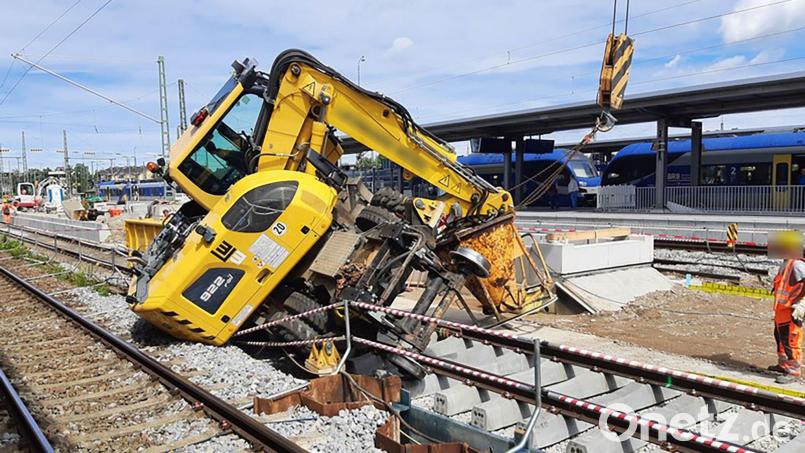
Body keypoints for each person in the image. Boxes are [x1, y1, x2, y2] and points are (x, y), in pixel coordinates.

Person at [770, 233, 805, 384]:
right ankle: (784, 364)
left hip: (791, 311)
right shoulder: (786, 262)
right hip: (781, 310)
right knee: (781, 339)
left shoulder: (797, 265)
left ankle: (794, 370)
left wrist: (802, 304)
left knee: (791, 341)